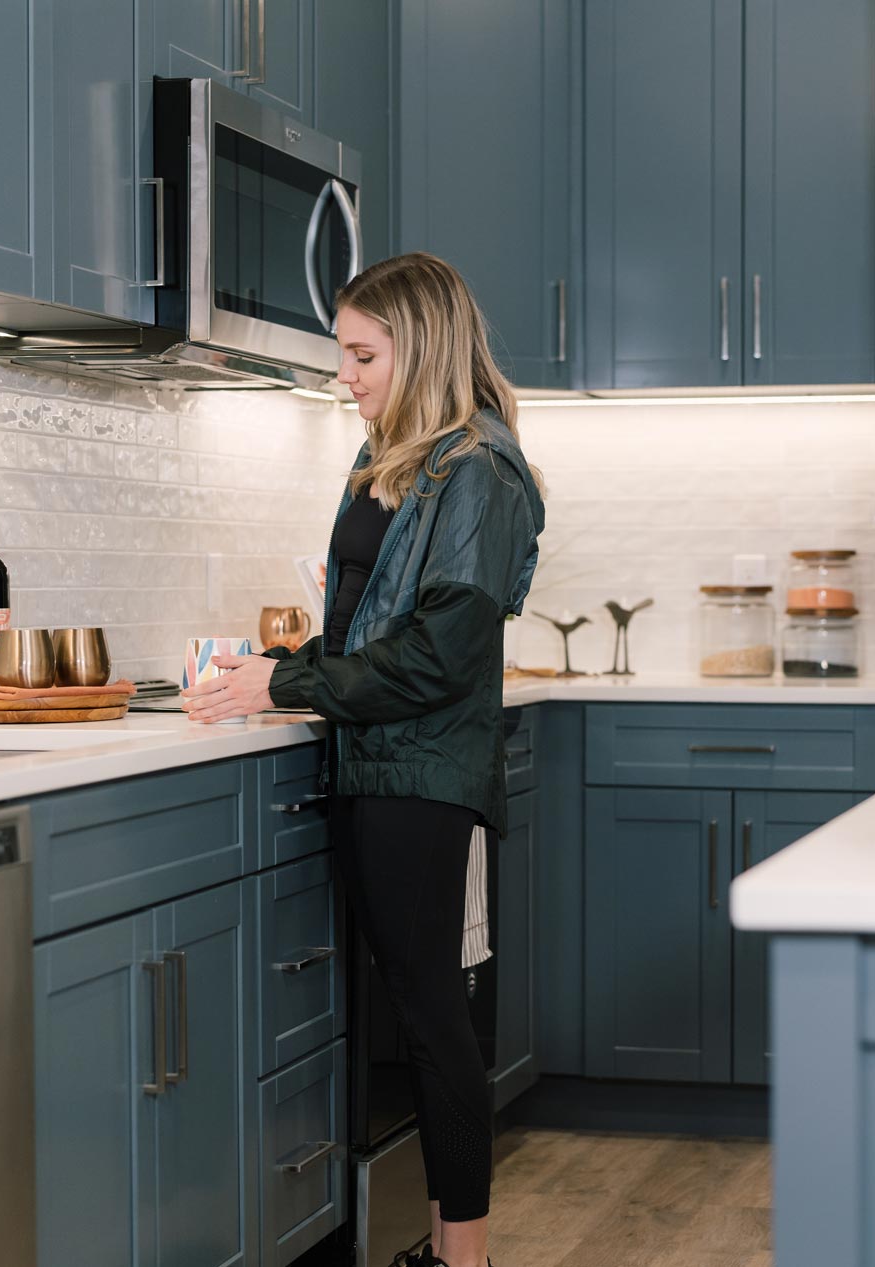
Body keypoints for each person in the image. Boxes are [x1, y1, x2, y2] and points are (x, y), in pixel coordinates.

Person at [182, 252, 545, 1267]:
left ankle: (460, 1257)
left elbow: (439, 652)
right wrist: (285, 662)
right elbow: (363, 627)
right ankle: (438, 1249)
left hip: (420, 776)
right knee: (417, 1009)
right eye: (343, 353)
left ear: (418, 346)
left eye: (362, 353)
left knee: (432, 1015)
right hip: (371, 762)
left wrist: (288, 688)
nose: (345, 373)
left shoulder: (479, 468)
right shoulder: (391, 457)